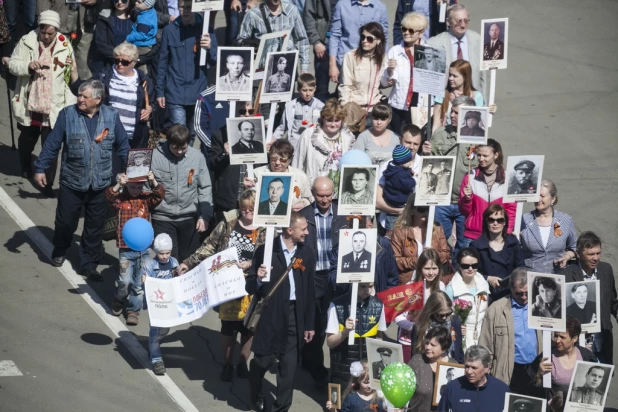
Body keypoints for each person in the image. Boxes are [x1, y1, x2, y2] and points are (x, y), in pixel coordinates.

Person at [33, 80, 130, 280]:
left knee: (95, 228)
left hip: (101, 184)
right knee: (66, 223)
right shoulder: (67, 115)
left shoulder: (111, 117)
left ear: (98, 99)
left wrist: (131, 170)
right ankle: (60, 249)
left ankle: (89, 264)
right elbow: (53, 144)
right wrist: (41, 167)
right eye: (79, 95)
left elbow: (123, 147)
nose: (80, 99)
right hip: (72, 182)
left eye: (85, 96)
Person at [177, 190, 265, 381]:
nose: (247, 213)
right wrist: (189, 262)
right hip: (228, 285)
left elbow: (268, 257)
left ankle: (242, 362)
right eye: (243, 209)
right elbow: (210, 245)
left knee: (250, 327)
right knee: (229, 327)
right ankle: (227, 364)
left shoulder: (265, 229)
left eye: (251, 209)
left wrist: (251, 265)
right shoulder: (229, 223)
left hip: (252, 285)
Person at [246, 212, 316, 412]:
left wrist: (309, 324)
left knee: (289, 365)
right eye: (303, 229)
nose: (307, 233)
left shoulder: (306, 253)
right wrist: (258, 279)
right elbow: (250, 286)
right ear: (289, 230)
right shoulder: (266, 251)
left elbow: (310, 291)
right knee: (263, 359)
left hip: (294, 313)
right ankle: (255, 386)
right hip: (271, 314)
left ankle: (281, 407)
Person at [9, 10, 77, 196]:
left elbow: (69, 76)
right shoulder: (27, 41)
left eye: (50, 33)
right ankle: (25, 164)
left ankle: (47, 184)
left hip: (54, 106)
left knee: (51, 148)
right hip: (31, 102)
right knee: (26, 142)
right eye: (43, 32)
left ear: (56, 30)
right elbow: (13, 64)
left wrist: (71, 102)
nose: (46, 36)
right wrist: (27, 66)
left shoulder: (65, 44)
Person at [299, 177, 348, 386]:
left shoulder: (343, 215)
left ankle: (335, 369)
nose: (325, 199)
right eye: (320, 195)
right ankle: (316, 368)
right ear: (313, 193)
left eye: (328, 195)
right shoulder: (304, 215)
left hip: (336, 276)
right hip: (314, 276)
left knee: (335, 322)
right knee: (315, 324)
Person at [68, 42, 155, 149]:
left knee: (133, 166)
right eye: (116, 60)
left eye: (124, 62)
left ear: (134, 63)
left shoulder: (144, 81)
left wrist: (149, 110)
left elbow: (152, 104)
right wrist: (74, 72)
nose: (119, 64)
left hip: (135, 138)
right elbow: (81, 90)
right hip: (108, 136)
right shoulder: (104, 77)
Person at [106, 171, 165, 325]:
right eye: (132, 187)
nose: (136, 190)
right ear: (127, 186)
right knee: (125, 281)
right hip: (126, 249)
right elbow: (109, 196)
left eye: (139, 186)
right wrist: (120, 183)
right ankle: (119, 298)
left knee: (139, 284)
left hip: (144, 250)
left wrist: (153, 181)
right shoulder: (120, 200)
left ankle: (133, 310)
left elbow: (159, 195)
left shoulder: (146, 200)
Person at [157, 0, 217, 144]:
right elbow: (162, 63)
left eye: (189, 7)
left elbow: (214, 60)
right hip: (175, 91)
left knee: (191, 134)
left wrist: (210, 48)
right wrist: (160, 91)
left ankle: (187, 163)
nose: (185, 11)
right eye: (182, 7)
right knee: (179, 135)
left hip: (197, 90)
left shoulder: (205, 29)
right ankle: (179, 164)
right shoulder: (170, 30)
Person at [151, 124, 213, 263]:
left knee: (187, 261)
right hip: (163, 217)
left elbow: (205, 188)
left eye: (183, 148)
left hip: (189, 218)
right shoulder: (154, 157)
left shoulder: (197, 157)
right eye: (175, 148)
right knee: (168, 261)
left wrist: (205, 215)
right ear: (168, 142)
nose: (179, 152)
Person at [429, 96, 478, 267]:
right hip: (441, 201)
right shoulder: (440, 135)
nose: (453, 115)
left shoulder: (477, 139)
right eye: (452, 111)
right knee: (438, 244)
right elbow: (430, 165)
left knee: (465, 247)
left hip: (465, 203)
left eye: (458, 112)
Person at [478, 267, 543, 396]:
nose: (524, 297)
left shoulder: (542, 306)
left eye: (528, 293)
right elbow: (485, 346)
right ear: (511, 289)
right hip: (509, 370)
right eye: (519, 293)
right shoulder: (496, 309)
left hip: (537, 369)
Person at [562, 231, 618, 364]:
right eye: (591, 254)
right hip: (578, 345)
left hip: (602, 342)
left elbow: (612, 302)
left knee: (601, 380)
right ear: (579, 254)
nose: (596, 258)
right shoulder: (567, 274)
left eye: (598, 253)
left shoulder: (606, 270)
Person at [326, 282, 387, 387]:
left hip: (366, 373)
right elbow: (330, 343)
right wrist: (345, 332)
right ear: (353, 285)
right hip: (342, 371)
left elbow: (379, 338)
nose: (367, 290)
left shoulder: (378, 305)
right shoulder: (336, 306)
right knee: (340, 403)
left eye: (371, 286)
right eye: (363, 286)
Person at [426, 5, 489, 103]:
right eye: (459, 21)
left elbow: (483, 76)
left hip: (472, 100)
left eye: (466, 21)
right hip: (446, 102)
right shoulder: (434, 44)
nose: (463, 25)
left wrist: (485, 104)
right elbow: (429, 80)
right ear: (448, 22)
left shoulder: (478, 40)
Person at [459, 139, 516, 245]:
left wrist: (506, 232)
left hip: (498, 235)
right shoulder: (470, 176)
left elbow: (511, 210)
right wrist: (467, 199)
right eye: (479, 155)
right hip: (473, 236)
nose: (481, 159)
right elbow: (464, 211)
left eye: (485, 156)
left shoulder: (507, 178)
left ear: (496, 155)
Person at [395, 249, 447, 363]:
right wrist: (414, 328)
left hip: (433, 343)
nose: (431, 273)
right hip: (409, 340)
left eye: (434, 268)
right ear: (420, 269)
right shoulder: (410, 287)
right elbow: (397, 317)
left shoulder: (441, 287)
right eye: (427, 268)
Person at [375, 124, 429, 232]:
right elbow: (377, 200)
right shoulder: (387, 166)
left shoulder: (426, 165)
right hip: (391, 222)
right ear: (400, 140)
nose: (411, 147)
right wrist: (398, 210)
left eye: (416, 144)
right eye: (408, 142)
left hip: (417, 225)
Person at [530, 317, 598, 402]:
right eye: (556, 336)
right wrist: (539, 375)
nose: (557, 340)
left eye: (562, 337)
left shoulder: (586, 355)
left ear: (575, 338)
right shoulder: (546, 357)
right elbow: (533, 392)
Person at [383, 12, 429, 133]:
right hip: (398, 105)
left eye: (411, 30)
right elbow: (384, 82)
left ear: (421, 33)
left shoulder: (429, 52)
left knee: (415, 141)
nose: (406, 33)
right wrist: (389, 70)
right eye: (404, 29)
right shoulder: (395, 51)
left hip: (419, 105)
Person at [141, 233, 180, 376]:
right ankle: (157, 359)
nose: (164, 256)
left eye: (167, 253)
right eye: (161, 253)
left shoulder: (173, 262)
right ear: (156, 252)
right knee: (156, 332)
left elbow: (177, 277)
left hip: (168, 303)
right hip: (155, 304)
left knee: (165, 330)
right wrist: (144, 280)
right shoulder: (150, 265)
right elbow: (144, 282)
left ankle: (153, 344)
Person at [520, 179, 577, 273]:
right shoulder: (524, 219)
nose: (538, 199)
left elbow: (574, 247)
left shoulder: (565, 220)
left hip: (557, 275)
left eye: (542, 196)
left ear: (553, 199)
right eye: (536, 195)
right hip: (529, 277)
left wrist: (566, 257)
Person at [236, 0, 311, 73]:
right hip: (263, 68)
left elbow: (302, 39)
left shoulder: (292, 10)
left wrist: (304, 68)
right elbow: (241, 41)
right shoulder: (253, 14)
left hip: (287, 65)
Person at [293, 98, 355, 186]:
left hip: (340, 189)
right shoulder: (309, 134)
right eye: (329, 120)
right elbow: (297, 163)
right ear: (323, 119)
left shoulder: (348, 137)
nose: (333, 125)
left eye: (337, 120)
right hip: (315, 189)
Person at [391, 194, 451, 284]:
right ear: (411, 210)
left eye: (428, 209)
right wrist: (420, 260)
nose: (426, 212)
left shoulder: (437, 229)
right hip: (410, 281)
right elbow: (395, 260)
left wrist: (434, 254)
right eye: (422, 209)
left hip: (433, 280)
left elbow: (446, 254)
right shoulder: (400, 232)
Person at [328, 0, 388, 84]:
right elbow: (334, 35)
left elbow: (383, 37)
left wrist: (384, 63)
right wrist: (332, 65)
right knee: (345, 92)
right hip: (346, 61)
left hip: (371, 62)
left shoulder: (380, 7)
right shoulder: (342, 5)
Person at [470, 204, 523, 300]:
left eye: (499, 220)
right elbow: (470, 270)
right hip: (486, 293)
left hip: (509, 293)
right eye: (491, 220)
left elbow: (521, 267)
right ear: (486, 222)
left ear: (505, 222)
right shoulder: (476, 245)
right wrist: (488, 278)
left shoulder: (513, 242)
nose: (495, 223)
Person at [437, 345, 510, 412]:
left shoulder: (502, 390)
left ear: (487, 367)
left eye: (474, 368)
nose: (469, 371)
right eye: (467, 366)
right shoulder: (452, 388)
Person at [247, 140, 313, 211]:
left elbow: (309, 198)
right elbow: (246, 199)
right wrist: (246, 188)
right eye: (273, 159)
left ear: (290, 160)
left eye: (282, 160)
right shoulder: (257, 173)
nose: (277, 163)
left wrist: (303, 204)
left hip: (293, 216)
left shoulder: (300, 176)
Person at [339, 22, 387, 118]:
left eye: (369, 39)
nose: (364, 41)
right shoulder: (350, 56)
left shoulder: (383, 58)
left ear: (378, 41)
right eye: (362, 37)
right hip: (354, 109)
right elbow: (345, 85)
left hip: (374, 109)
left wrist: (390, 74)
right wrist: (346, 108)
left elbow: (382, 84)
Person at [446, 248, 490, 348]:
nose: (470, 269)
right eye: (465, 266)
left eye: (474, 265)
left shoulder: (484, 284)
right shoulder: (451, 289)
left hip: (482, 337)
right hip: (460, 338)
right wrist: (455, 328)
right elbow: (446, 318)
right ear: (458, 266)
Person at [431, 59, 490, 132]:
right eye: (450, 75)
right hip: (445, 138)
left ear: (465, 77)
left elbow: (479, 123)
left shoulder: (477, 96)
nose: (450, 78)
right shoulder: (442, 94)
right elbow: (436, 123)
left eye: (455, 76)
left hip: (466, 137)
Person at [272, 73, 325, 150]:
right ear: (298, 89)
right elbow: (282, 127)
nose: (308, 93)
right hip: (296, 146)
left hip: (313, 146)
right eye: (304, 90)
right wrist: (273, 139)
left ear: (315, 88)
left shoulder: (321, 106)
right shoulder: (290, 106)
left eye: (311, 90)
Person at [408, 327, 455, 411]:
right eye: (427, 343)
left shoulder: (454, 366)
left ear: (444, 349)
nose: (428, 347)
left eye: (433, 345)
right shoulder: (417, 361)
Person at [411, 291, 464, 363]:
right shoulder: (420, 327)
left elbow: (459, 350)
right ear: (431, 311)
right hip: (427, 368)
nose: (444, 317)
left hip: (451, 367)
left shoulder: (454, 322)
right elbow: (415, 355)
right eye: (441, 315)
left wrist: (461, 367)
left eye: (448, 313)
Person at [302, 0, 333, 101]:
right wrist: (316, 41)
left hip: (344, 43)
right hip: (322, 41)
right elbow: (308, 16)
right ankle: (321, 113)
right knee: (321, 87)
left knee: (345, 85)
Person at [353, 103, 400, 168]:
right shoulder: (363, 137)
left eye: (383, 119)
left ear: (389, 120)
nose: (378, 122)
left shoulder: (396, 138)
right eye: (376, 118)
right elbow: (356, 161)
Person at [381, 145, 417, 229]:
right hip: (399, 203)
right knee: (394, 228)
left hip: (391, 201)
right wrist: (414, 179)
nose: (411, 163)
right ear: (402, 163)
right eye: (409, 161)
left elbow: (404, 173)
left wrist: (409, 173)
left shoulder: (392, 169)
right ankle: (389, 236)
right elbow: (408, 185)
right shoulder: (400, 174)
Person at [125, 0, 158, 70]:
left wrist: (128, 38)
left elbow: (142, 35)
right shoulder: (150, 12)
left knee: (135, 62)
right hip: (148, 43)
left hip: (141, 45)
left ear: (148, 5)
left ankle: (142, 77)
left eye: (139, 2)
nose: (136, 3)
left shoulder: (145, 19)